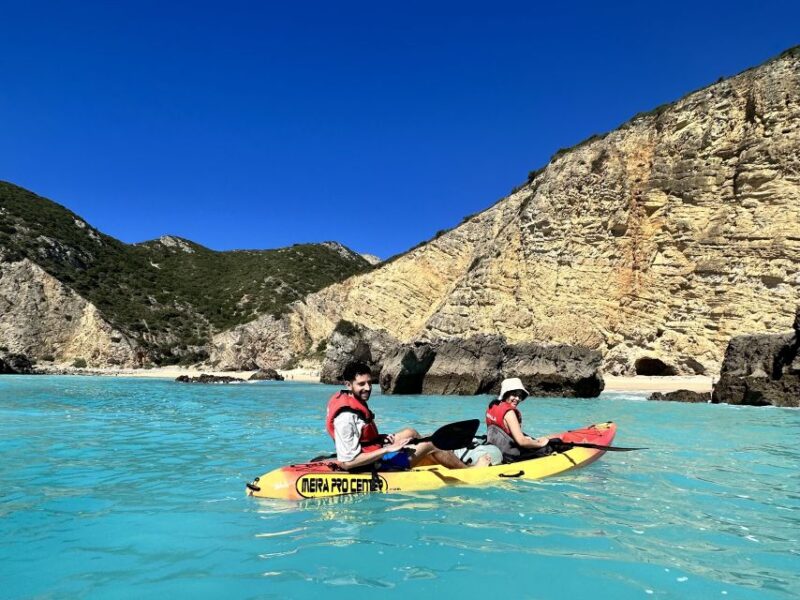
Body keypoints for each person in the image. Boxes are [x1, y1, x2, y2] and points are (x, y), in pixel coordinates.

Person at [326, 361, 490, 471]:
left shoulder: (350, 399)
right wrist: (387, 450)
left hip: (369, 452)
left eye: (369, 382)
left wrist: (381, 440)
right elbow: (348, 463)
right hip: (367, 467)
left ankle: (429, 459)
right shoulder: (346, 417)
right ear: (348, 385)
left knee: (410, 432)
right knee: (431, 443)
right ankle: (469, 470)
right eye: (361, 384)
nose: (368, 388)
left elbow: (362, 437)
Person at [485, 377, 551, 463]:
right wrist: (541, 443)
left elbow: (503, 431)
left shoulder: (492, 406)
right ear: (506, 394)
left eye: (520, 396)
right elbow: (522, 442)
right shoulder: (509, 413)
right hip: (510, 455)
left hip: (496, 448)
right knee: (547, 448)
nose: (517, 399)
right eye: (514, 395)